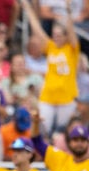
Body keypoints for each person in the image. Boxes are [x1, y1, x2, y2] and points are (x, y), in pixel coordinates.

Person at [21, 0, 79, 137]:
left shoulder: (72, 49)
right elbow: (37, 29)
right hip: (47, 96)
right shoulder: (50, 47)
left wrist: (69, 13)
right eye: (54, 35)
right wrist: (28, 8)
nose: (56, 38)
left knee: (62, 133)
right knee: (43, 129)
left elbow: (71, 32)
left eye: (59, 35)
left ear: (65, 37)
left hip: (66, 98)